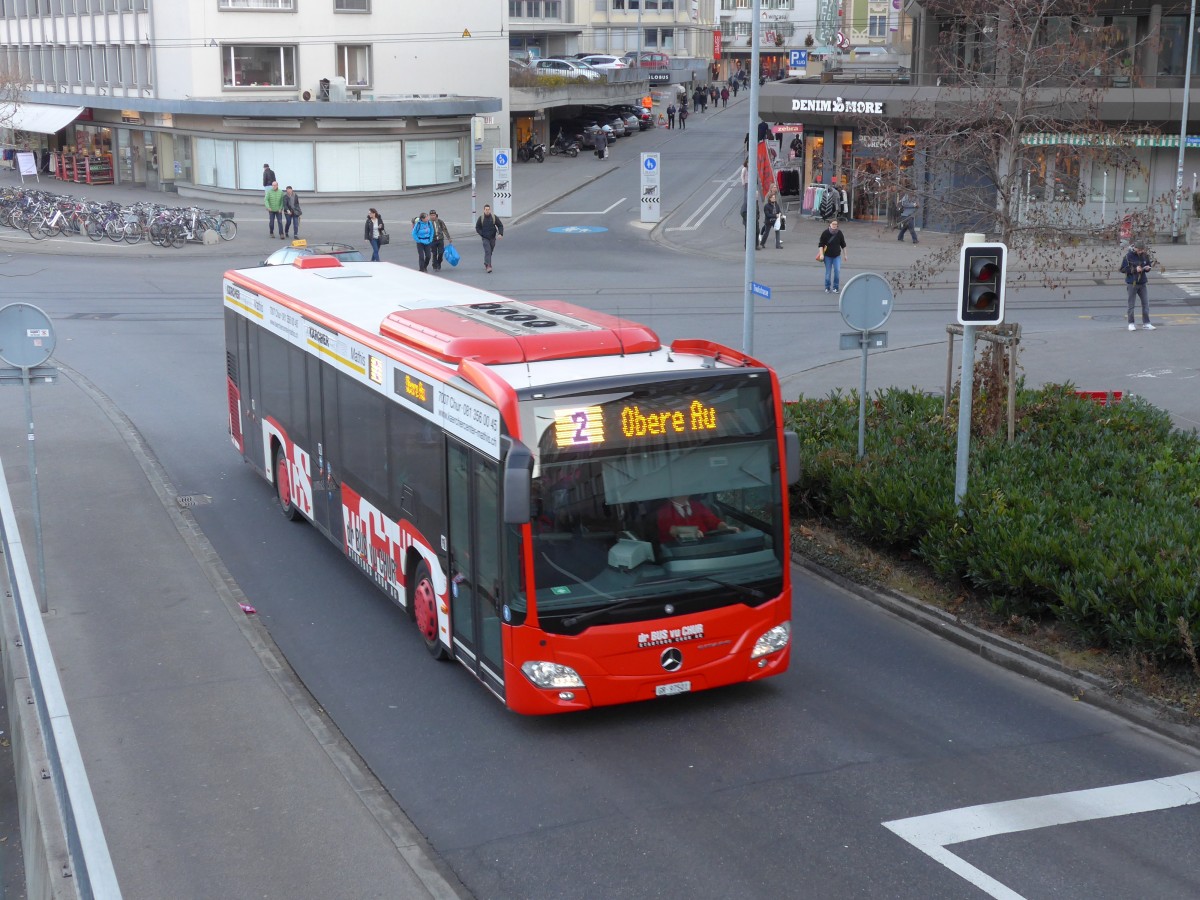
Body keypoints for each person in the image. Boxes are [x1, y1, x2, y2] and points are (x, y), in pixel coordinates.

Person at [657, 495, 736, 543]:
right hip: (679, 554)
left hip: (705, 548)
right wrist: (693, 532)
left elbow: (714, 521)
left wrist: (726, 528)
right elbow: (672, 530)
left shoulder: (697, 506)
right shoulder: (664, 511)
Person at [1121, 241, 1155, 330]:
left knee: (1146, 304)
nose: (1141, 251)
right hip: (1132, 283)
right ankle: (1131, 323)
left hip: (1142, 282)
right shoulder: (1128, 256)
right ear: (1135, 248)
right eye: (1139, 250)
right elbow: (1123, 269)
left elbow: (1148, 264)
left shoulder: (1145, 255)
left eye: (1142, 250)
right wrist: (1135, 269)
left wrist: (1147, 268)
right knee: (1131, 305)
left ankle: (1147, 323)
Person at [818, 219, 848, 293]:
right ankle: (827, 287)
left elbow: (843, 245)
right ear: (830, 225)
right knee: (828, 272)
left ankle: (835, 287)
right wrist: (821, 254)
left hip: (836, 256)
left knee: (837, 271)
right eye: (833, 224)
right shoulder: (825, 233)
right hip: (827, 256)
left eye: (836, 224)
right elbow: (821, 245)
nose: (834, 226)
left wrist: (845, 255)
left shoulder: (839, 233)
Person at [475, 203, 504, 274]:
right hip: (485, 238)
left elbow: (500, 225)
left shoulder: (494, 217)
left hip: (492, 238)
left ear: (490, 210)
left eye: (488, 209)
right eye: (486, 210)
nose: (487, 211)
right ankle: (488, 266)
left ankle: (486, 262)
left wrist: (500, 233)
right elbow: (477, 227)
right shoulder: (481, 218)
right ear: (484, 210)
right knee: (488, 251)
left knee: (490, 251)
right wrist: (482, 234)